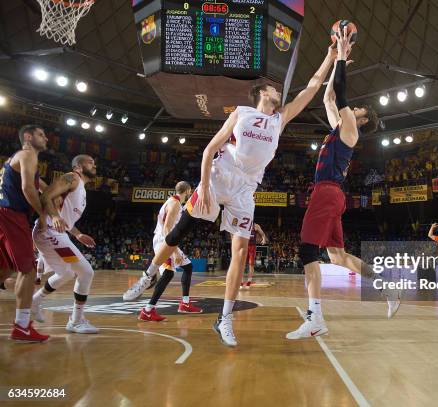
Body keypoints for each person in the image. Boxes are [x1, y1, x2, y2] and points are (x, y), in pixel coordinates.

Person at [123, 44, 337, 346]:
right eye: (274, 89)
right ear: (262, 92)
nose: (279, 92)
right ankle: (148, 275)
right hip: (220, 176)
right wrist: (206, 186)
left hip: (246, 189)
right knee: (179, 232)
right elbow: (210, 149)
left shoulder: (280, 118)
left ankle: (224, 319)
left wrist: (330, 55)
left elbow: (313, 86)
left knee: (239, 252)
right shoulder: (242, 113)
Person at [286, 27, 393, 341]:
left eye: (358, 110)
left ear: (360, 120)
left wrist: (344, 58)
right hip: (334, 195)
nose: (354, 107)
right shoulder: (341, 128)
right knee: (338, 256)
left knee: (307, 249)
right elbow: (329, 96)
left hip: (327, 191)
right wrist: (334, 61)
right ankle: (386, 288)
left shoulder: (351, 130)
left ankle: (315, 317)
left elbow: (341, 95)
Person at [31, 155, 99, 333]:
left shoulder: (81, 189)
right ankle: (76, 321)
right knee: (86, 272)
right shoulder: (72, 177)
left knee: (67, 273)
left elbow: (66, 219)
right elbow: (46, 195)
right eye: (90, 162)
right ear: (78, 166)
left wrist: (78, 234)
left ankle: (34, 301)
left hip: (58, 234)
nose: (94, 165)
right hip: (48, 232)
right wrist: (53, 216)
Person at [0, 124, 50, 342]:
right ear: (28, 137)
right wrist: (42, 214)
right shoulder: (29, 154)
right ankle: (22, 326)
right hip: (11, 214)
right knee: (28, 270)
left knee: (5, 268)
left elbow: (36, 185)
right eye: (41, 134)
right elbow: (27, 188)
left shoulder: (17, 157)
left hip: (3, 212)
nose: (46, 138)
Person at [135, 181, 203, 321]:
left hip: (166, 241)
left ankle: (184, 303)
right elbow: (167, 229)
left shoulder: (175, 202)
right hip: (163, 241)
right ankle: (148, 310)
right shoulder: (175, 203)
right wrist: (176, 252)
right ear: (188, 190)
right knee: (168, 273)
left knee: (188, 267)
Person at [240, 223, 267, 290]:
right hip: (244, 245)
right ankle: (241, 282)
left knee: (251, 264)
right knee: (242, 264)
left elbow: (263, 234)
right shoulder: (242, 223)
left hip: (252, 246)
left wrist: (263, 239)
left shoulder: (255, 226)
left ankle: (249, 281)